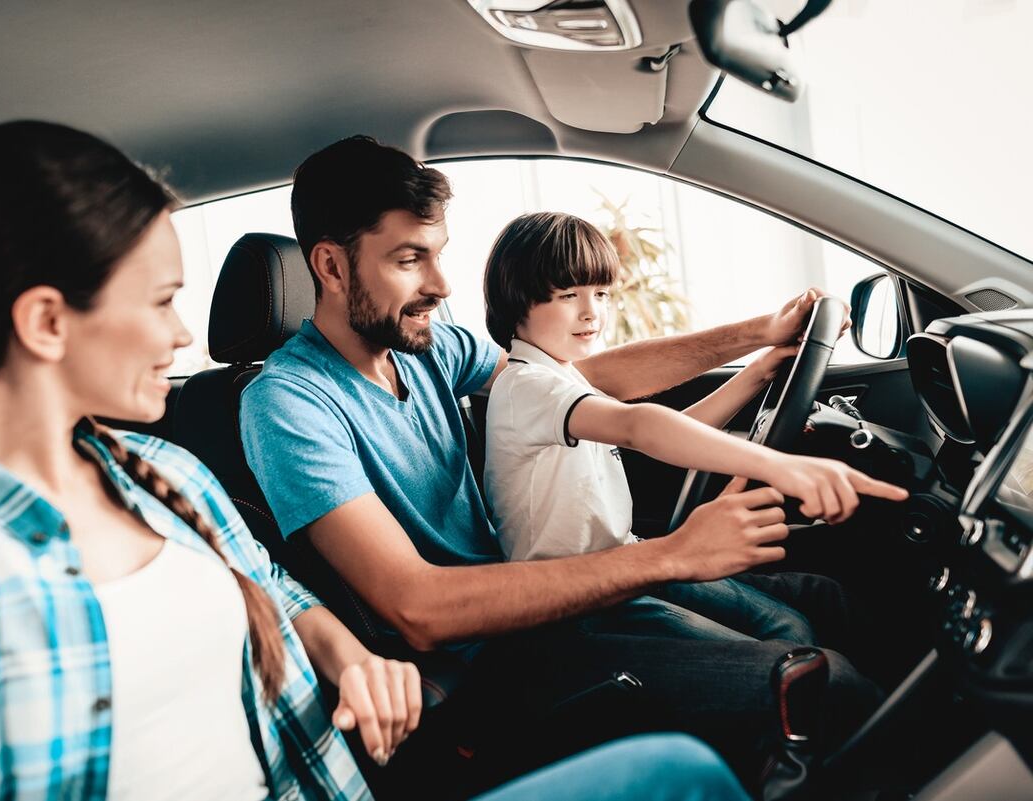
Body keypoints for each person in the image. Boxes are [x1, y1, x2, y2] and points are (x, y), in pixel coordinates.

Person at [0, 120, 751, 801]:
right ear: (44, 321)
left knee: (690, 769)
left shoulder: (166, 479)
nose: (183, 333)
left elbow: (281, 589)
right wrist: (669, 553)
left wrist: (347, 652)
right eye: (158, 303)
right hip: (479, 688)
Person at [239, 135, 902, 782]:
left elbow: (570, 381)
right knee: (829, 686)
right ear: (330, 266)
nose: (441, 284)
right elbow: (420, 606)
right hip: (493, 669)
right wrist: (671, 554)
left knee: (832, 600)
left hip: (550, 613)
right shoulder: (289, 403)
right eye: (410, 259)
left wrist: (755, 337)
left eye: (440, 254)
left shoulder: (426, 346)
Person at [481, 211, 907, 644]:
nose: (592, 313)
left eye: (603, 294)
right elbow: (639, 427)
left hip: (626, 564)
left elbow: (673, 433)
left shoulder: (561, 376)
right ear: (517, 301)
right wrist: (779, 465)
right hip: (579, 602)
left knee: (822, 598)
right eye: (569, 295)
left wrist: (757, 373)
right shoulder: (526, 387)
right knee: (789, 631)